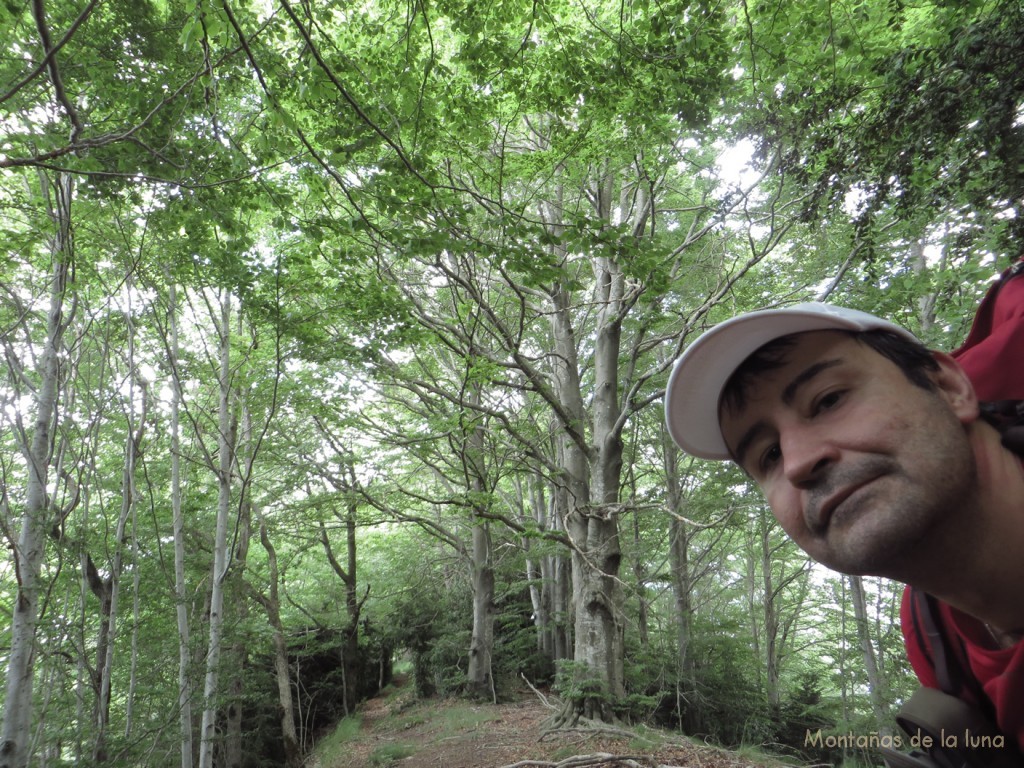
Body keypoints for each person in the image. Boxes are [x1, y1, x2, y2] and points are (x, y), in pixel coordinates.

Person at [663, 302, 1024, 758]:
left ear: (948, 386)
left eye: (829, 399)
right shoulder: (933, 628)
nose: (797, 463)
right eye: (769, 456)